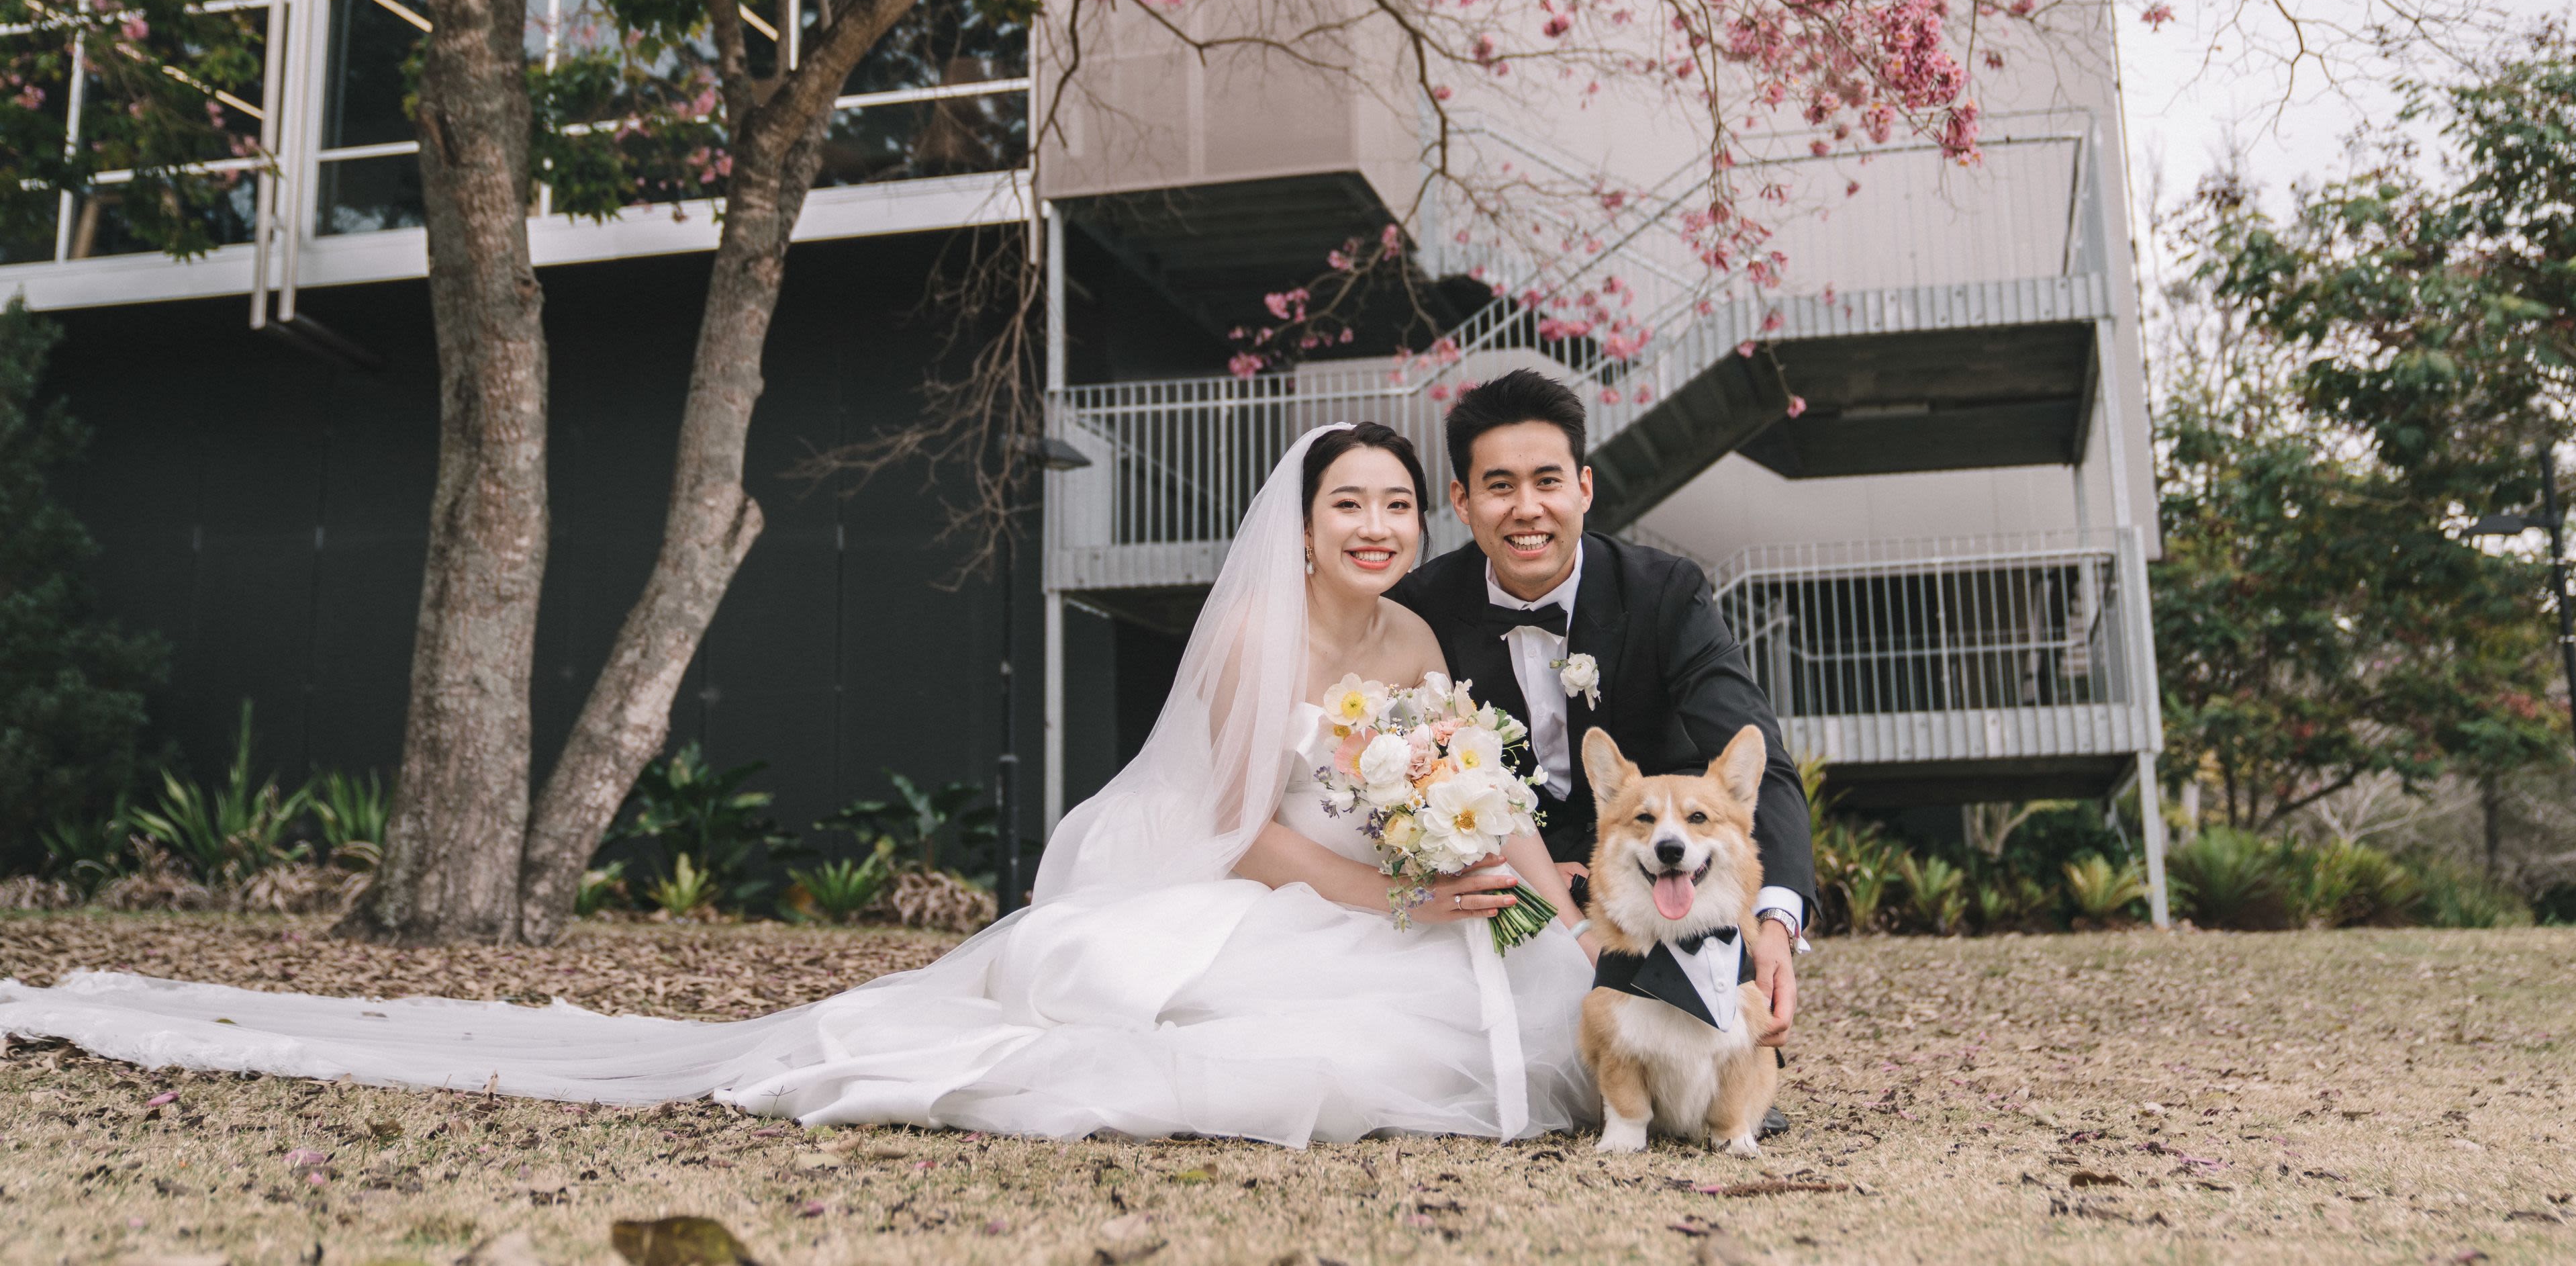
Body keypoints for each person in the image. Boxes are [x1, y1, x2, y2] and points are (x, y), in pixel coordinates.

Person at [0, 425, 1601, 1147]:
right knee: (1260, 1034)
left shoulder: (1409, 634)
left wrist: (1540, 885)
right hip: (1243, 876)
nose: (1380, 527)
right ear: (1302, 519)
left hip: (1366, 878)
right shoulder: (1258, 631)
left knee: (1520, 997)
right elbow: (1251, 829)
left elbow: (1475, 789)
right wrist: (1397, 890)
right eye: (1353, 503)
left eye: (1399, 504)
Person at [1388, 370, 1818, 1048]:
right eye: (1500, 486)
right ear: (1462, 501)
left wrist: (1774, 921)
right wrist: (1515, 867)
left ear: (1584, 487)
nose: (1527, 507)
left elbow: (1757, 760)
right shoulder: (1420, 608)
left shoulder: (1665, 593)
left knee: (1700, 1067)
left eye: (1548, 481)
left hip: (1658, 867)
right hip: (1508, 883)